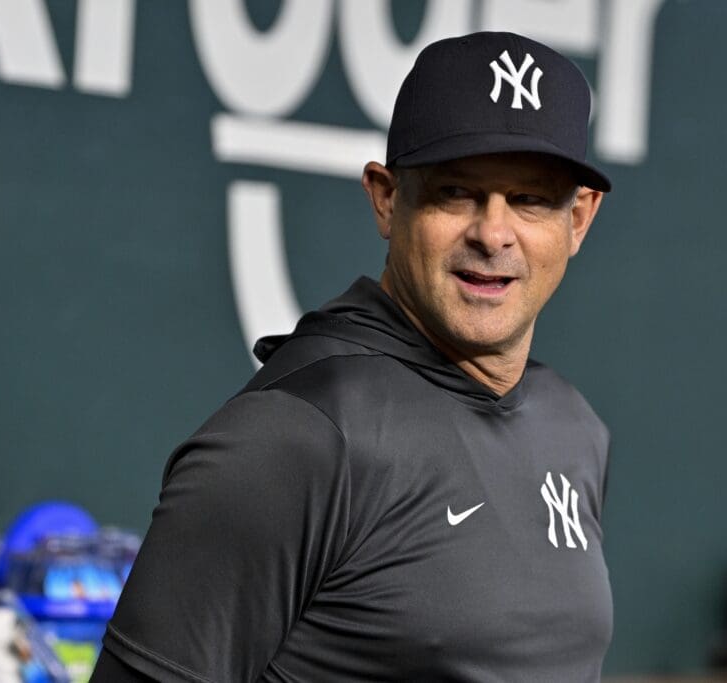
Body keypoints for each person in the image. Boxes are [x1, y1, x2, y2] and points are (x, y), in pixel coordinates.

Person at [91, 31, 612, 682]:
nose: (493, 232)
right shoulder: (295, 435)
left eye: (530, 198)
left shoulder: (573, 427)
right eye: (456, 192)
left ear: (579, 219)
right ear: (387, 198)